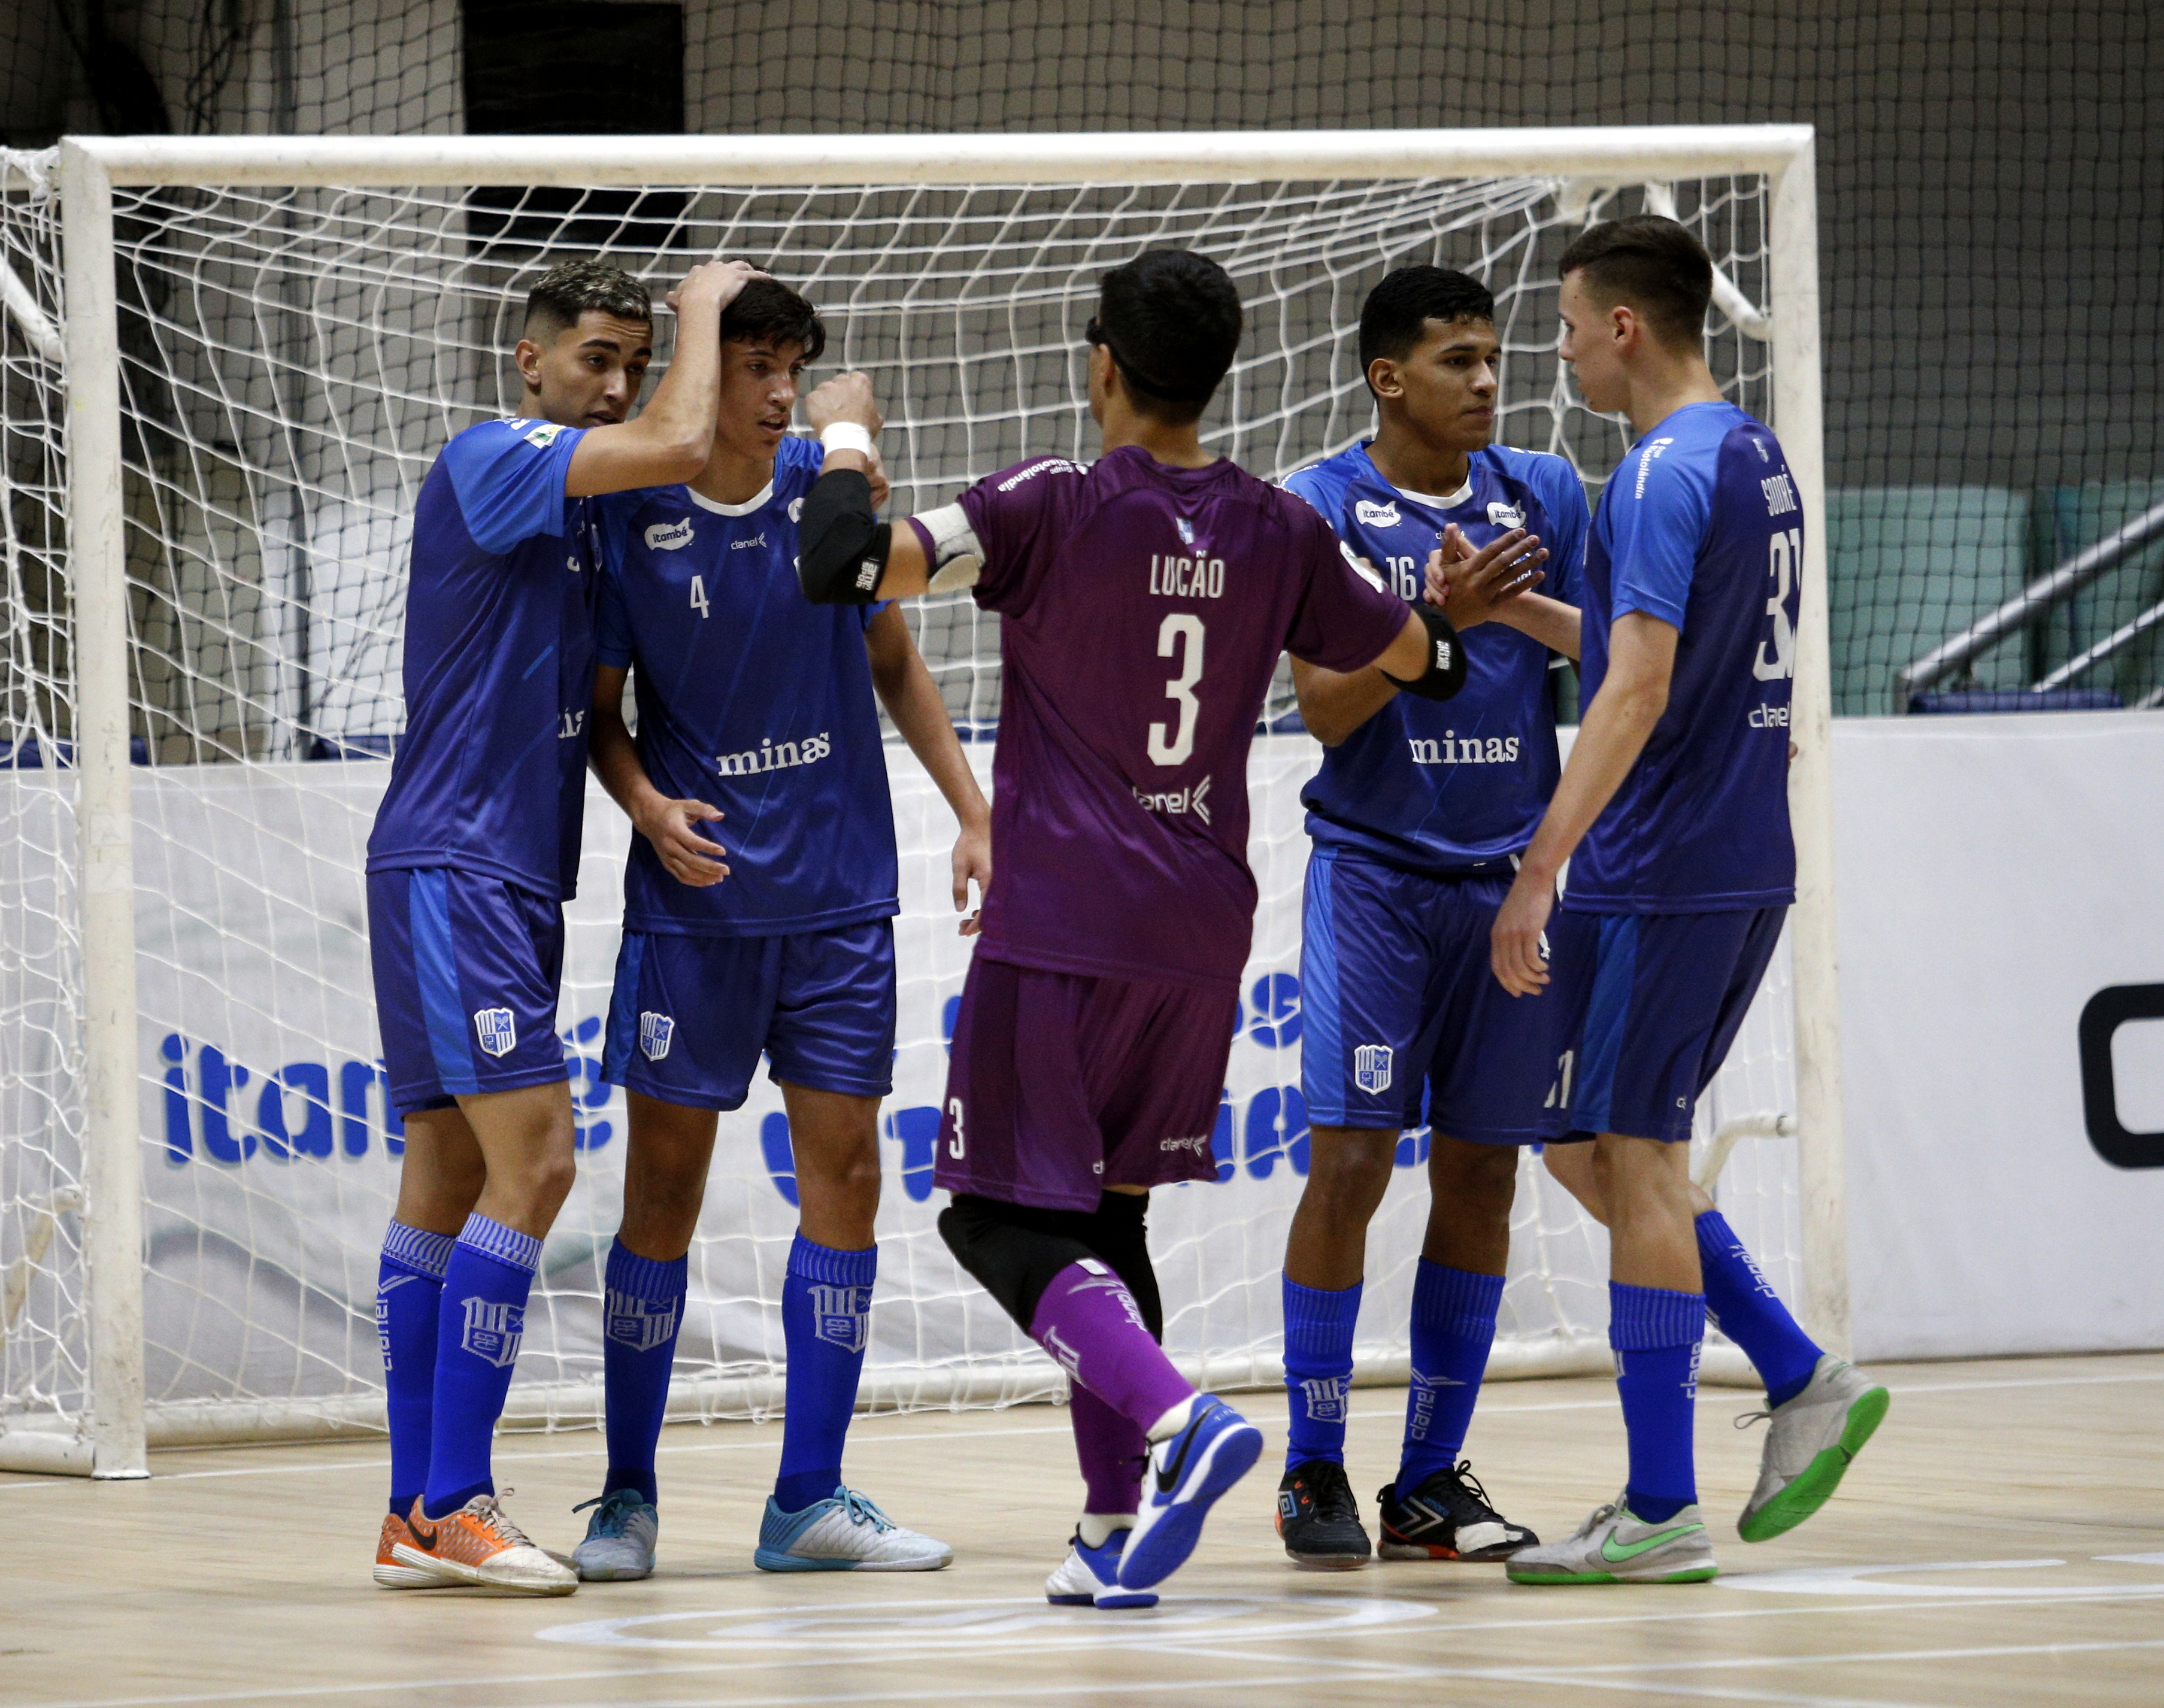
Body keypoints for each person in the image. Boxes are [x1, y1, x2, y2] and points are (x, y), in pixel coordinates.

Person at [795, 250, 1538, 1606]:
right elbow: (1425, 667)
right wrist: (1447, 614)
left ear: (1104, 368)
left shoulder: (1046, 503)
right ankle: (1108, 1530)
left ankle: (1181, 1419)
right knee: (1106, 1220)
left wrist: (844, 427)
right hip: (1200, 934)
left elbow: (844, 562)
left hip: (1066, 920)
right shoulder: (1277, 525)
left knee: (994, 1225)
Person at [1487, 217, 1887, 1586]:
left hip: (1662, 865)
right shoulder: (1749, 452)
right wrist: (1515, 618)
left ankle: (1661, 1504)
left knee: (1639, 1160)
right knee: (1588, 1147)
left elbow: (1640, 686)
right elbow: (1634, 646)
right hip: (1728, 858)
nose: (1554, 348)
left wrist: (1540, 863)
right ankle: (1792, 1366)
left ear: (1625, 328)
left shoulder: (1658, 470)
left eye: (1564, 322)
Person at [571, 278, 985, 1579]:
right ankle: (625, 1494)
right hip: (700, 909)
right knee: (663, 1194)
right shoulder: (627, 508)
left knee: (848, 1178)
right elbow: (598, 709)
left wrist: (976, 811)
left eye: (786, 366)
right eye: (746, 362)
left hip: (841, 900)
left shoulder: (826, 484)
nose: (769, 388)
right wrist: (643, 803)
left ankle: (808, 1495)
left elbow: (896, 664)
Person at [366, 256, 762, 1594]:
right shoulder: (492, 453)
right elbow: (681, 438)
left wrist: (645, 802)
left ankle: (414, 1510)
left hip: (508, 873)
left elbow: (600, 700)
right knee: (536, 1165)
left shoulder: (592, 523)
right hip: (458, 863)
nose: (617, 382)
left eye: (632, 358)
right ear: (529, 360)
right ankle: (458, 1499)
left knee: (448, 1179)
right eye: (595, 355)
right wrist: (705, 308)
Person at [1271, 265, 1583, 1570]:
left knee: (1485, 1171)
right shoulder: (1321, 506)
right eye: (1457, 358)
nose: (1487, 379)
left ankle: (1429, 1478)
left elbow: (1619, 653)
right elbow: (1322, 711)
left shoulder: (1546, 494)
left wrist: (1514, 607)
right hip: (1377, 877)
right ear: (1388, 377)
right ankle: (1312, 1464)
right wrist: (1432, 619)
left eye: (1495, 356)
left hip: (1511, 883)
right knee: (1347, 1161)